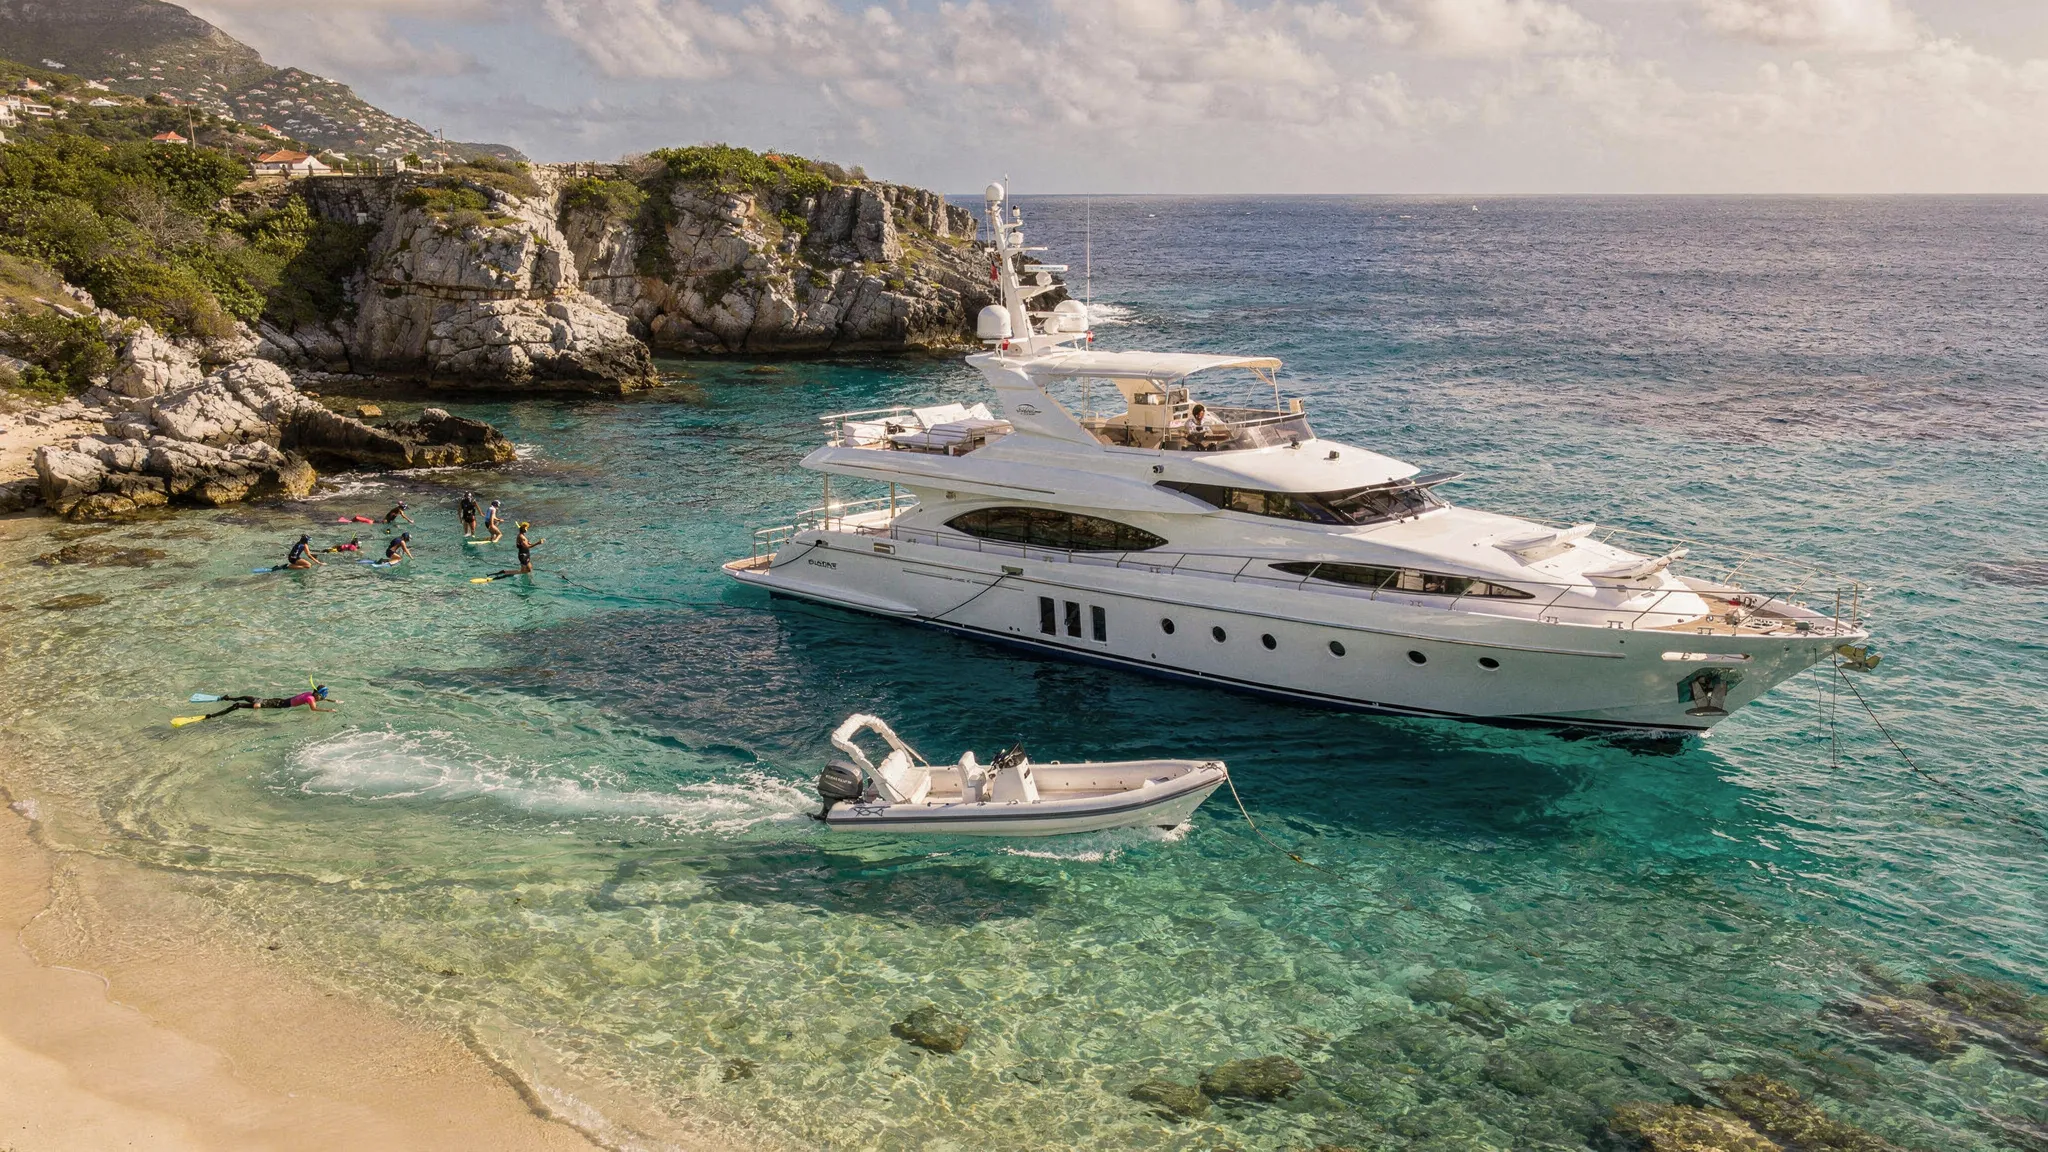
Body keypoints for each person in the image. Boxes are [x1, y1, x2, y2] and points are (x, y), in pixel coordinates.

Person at [204, 685, 334, 719]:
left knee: (245, 697)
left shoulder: (309, 694)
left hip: (280, 701)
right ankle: (213, 716)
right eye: (322, 697)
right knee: (247, 704)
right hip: (278, 705)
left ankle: (226, 698)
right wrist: (328, 710)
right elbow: (314, 709)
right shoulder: (311, 699)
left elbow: (314, 700)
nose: (321, 699)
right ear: (318, 695)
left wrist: (331, 700)